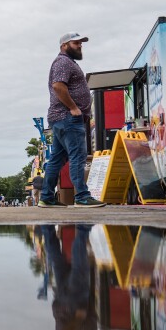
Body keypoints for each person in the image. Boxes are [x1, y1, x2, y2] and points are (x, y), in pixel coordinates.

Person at [40, 33, 105, 208]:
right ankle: (82, 197)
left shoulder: (67, 63)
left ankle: (46, 197)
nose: (80, 46)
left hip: (60, 118)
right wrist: (74, 108)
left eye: (81, 43)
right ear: (64, 46)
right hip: (67, 117)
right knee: (78, 155)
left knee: (57, 159)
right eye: (76, 43)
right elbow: (58, 86)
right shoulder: (63, 62)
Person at [40, 224, 98, 330]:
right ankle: (47, 228)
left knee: (79, 266)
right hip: (66, 304)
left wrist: (79, 318)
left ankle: (83, 229)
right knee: (57, 261)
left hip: (73, 306)